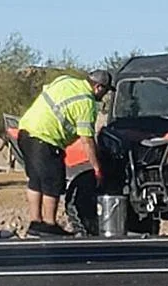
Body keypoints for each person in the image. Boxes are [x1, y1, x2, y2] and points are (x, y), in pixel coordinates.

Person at [16, 69, 114, 236]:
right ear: (98, 87)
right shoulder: (86, 102)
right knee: (52, 182)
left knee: (36, 180)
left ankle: (35, 222)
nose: (103, 96)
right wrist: (97, 168)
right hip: (46, 138)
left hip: (25, 131)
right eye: (104, 91)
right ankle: (49, 224)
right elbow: (87, 140)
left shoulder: (65, 80)